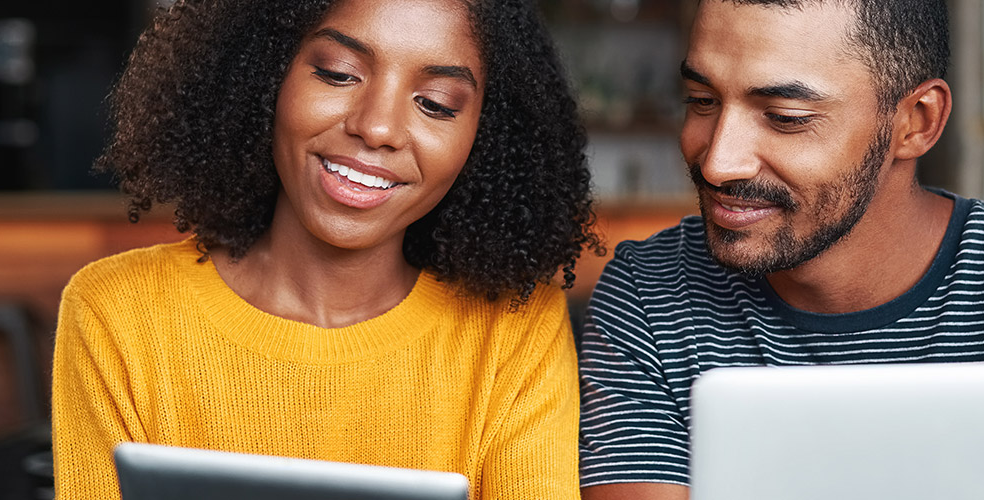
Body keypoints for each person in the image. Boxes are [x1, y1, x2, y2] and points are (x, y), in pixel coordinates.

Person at [577, 1, 984, 499]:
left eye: (786, 117)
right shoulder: (651, 295)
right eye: (701, 102)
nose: (718, 159)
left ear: (917, 122)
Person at [50, 0, 600, 498]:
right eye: (338, 73)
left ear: (488, 136)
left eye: (435, 104)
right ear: (266, 76)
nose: (378, 127)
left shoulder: (512, 330)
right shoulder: (117, 313)